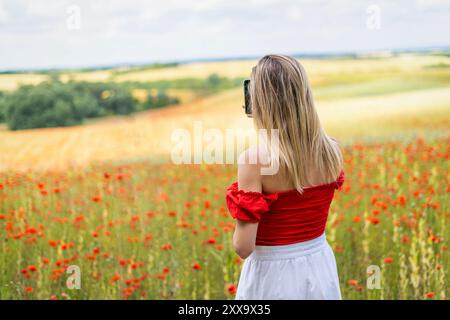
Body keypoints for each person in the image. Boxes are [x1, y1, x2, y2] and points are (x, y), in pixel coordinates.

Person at [226, 54, 345, 300]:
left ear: (260, 101)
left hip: (273, 276)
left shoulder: (254, 161)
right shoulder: (332, 150)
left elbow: (243, 247)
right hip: (319, 265)